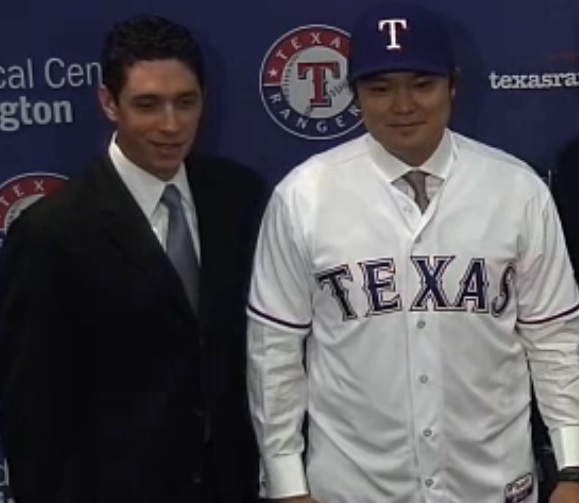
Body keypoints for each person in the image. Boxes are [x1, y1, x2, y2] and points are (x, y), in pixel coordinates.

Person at [246, 2, 579, 503]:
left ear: (453, 85)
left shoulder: (516, 190)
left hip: (491, 484)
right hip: (353, 488)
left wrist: (573, 467)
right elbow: (274, 352)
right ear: (354, 93)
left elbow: (554, 338)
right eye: (380, 88)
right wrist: (286, 483)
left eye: (422, 84)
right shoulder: (303, 196)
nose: (403, 105)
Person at [0, 15, 264, 503]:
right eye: (147, 104)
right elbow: (34, 414)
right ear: (109, 103)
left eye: (186, 102)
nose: (171, 124)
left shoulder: (239, 197)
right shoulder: (51, 233)